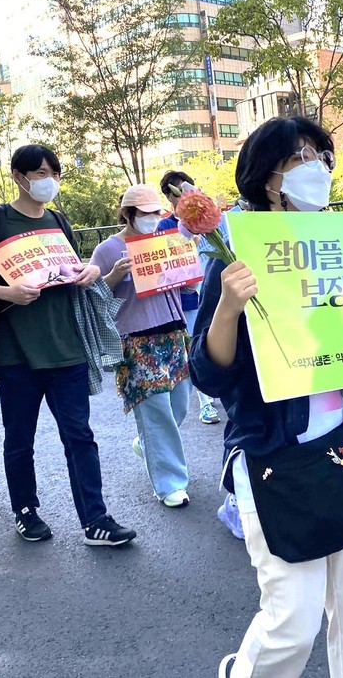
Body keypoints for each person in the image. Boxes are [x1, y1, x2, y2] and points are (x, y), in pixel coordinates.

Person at [191, 116, 343, 678]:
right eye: (303, 157)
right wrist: (228, 307)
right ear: (270, 179)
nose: (321, 170)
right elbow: (209, 377)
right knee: (293, 617)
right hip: (279, 452)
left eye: (324, 157)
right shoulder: (235, 255)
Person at [0, 144, 136, 546]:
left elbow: (69, 272)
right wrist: (8, 292)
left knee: (80, 436)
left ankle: (96, 520)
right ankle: (25, 511)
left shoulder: (59, 220)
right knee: (19, 438)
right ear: (18, 177)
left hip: (66, 347)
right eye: (39, 173)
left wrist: (90, 271)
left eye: (53, 172)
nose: (48, 180)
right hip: (15, 354)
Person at [91, 184, 194, 509]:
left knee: (180, 404)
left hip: (173, 332)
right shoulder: (108, 249)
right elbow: (93, 298)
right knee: (156, 411)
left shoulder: (164, 243)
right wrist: (113, 276)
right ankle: (170, 484)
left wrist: (188, 271)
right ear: (128, 214)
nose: (151, 219)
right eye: (144, 213)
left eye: (155, 213)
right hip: (136, 340)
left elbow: (189, 282)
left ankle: (148, 443)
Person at [157, 169, 222, 425]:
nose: (185, 197)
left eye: (188, 190)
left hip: (212, 291)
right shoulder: (165, 226)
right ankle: (206, 403)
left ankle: (214, 392)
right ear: (170, 197)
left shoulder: (208, 220)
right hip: (185, 299)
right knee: (197, 346)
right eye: (178, 192)